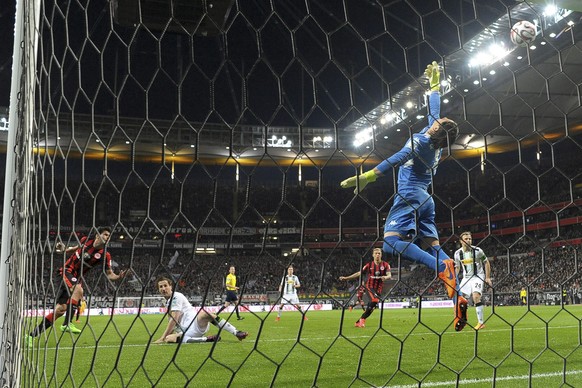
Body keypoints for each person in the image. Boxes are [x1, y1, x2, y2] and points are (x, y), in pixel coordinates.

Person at [341, 61, 468, 331]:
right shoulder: (437, 145)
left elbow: (398, 158)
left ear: (437, 130)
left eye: (439, 122)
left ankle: (440, 268)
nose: (437, 120)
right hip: (426, 200)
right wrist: (434, 86)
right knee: (435, 246)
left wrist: (368, 176)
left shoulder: (422, 143)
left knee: (390, 244)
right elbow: (435, 112)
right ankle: (457, 295)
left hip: (409, 195)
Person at [26, 227, 127, 346]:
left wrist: (119, 277)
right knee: (79, 289)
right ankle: (67, 324)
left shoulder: (105, 255)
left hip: (75, 278)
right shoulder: (85, 240)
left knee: (61, 310)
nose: (107, 237)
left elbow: (110, 274)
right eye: (105, 234)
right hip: (66, 271)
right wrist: (63, 248)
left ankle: (31, 336)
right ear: (97, 235)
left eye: (109, 236)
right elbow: (73, 250)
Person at [154, 276, 248, 344]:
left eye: (165, 285)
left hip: (196, 323)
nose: (163, 288)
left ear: (171, 286)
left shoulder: (176, 296)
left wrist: (162, 338)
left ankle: (236, 332)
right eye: (161, 287)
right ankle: (206, 339)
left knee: (204, 314)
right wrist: (170, 335)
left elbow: (174, 318)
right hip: (186, 331)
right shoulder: (168, 302)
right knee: (170, 339)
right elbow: (172, 320)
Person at [339, 248, 392, 327]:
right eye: (376, 253)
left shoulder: (385, 265)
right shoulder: (369, 265)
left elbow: (389, 275)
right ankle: (362, 320)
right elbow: (359, 273)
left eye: (379, 253)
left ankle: (358, 322)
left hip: (379, 288)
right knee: (374, 300)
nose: (377, 255)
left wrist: (385, 277)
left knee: (372, 306)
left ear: (381, 255)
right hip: (370, 286)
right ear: (373, 255)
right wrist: (346, 278)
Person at [453, 231, 492, 330]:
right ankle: (462, 319)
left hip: (477, 276)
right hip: (466, 278)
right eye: (466, 239)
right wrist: (454, 278)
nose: (468, 240)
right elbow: (457, 267)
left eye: (470, 239)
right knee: (461, 300)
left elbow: (486, 262)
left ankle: (481, 323)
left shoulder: (478, 251)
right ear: (461, 241)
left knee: (475, 297)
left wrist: (487, 277)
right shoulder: (457, 254)